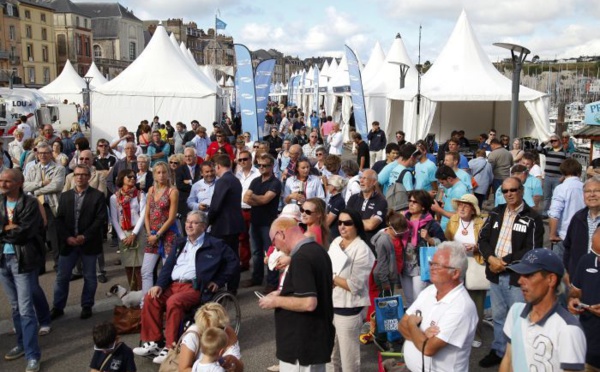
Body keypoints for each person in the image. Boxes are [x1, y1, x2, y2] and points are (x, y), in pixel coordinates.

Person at [133, 210, 237, 364]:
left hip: (194, 287)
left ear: (203, 226)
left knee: (174, 302)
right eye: (188, 222)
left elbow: (233, 262)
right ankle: (153, 342)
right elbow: (167, 267)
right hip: (174, 284)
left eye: (194, 222)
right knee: (150, 297)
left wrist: (219, 281)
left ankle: (171, 346)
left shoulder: (215, 244)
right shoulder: (180, 242)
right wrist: (159, 285)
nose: (189, 225)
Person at [477, 177, 544, 368]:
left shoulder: (533, 217)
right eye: (505, 191)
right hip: (495, 273)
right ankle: (499, 350)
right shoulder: (496, 212)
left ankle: (518, 354)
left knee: (519, 318)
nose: (509, 194)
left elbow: (532, 249)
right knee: (498, 316)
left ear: (521, 191)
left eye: (513, 190)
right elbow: (482, 239)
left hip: (517, 277)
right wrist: (491, 259)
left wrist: (503, 262)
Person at [258, 217, 335, 371]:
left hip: (301, 346)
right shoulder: (318, 250)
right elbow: (314, 287)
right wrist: (282, 292)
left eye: (274, 241)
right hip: (315, 341)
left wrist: (275, 302)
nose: (276, 247)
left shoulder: (301, 258)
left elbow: (308, 302)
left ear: (281, 234)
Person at [501, 248, 586, 372]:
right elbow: (508, 359)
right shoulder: (515, 312)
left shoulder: (569, 329)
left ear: (551, 279)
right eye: (520, 275)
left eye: (529, 275)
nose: (520, 281)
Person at [399, 242, 478, 372]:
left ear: (455, 273)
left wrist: (413, 325)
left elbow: (428, 349)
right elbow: (401, 325)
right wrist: (422, 335)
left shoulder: (461, 307)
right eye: (431, 263)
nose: (431, 268)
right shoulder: (429, 291)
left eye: (437, 265)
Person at [0, 168, 45, 372]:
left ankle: (32, 355)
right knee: (15, 307)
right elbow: (14, 231)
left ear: (19, 183)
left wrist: (6, 230)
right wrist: (8, 229)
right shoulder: (0, 202)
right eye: (1, 180)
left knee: (26, 309)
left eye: (7, 181)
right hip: (3, 260)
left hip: (23, 260)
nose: (2, 184)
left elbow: (24, 233)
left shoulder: (30, 203)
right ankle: (21, 343)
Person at [51, 164, 107, 320]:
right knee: (62, 277)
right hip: (68, 244)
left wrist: (85, 236)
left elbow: (100, 219)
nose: (80, 177)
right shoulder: (65, 196)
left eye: (83, 174)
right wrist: (67, 237)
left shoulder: (97, 196)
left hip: (88, 243)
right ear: (73, 177)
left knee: (89, 276)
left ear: (89, 177)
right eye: (77, 174)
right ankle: (58, 307)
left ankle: (87, 305)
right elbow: (59, 219)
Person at [327, 209, 375, 372]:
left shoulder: (362, 250)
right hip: (330, 303)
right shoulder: (335, 242)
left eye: (347, 223)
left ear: (356, 225)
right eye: (339, 222)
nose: (342, 226)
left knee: (349, 359)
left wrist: (331, 277)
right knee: (330, 355)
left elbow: (355, 285)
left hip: (349, 308)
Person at [444, 194, 486, 347]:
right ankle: (456, 332)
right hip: (457, 264)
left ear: (473, 210)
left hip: (475, 263)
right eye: (460, 204)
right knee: (455, 300)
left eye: (466, 206)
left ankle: (477, 334)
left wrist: (475, 247)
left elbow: (488, 244)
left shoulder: (481, 223)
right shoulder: (453, 220)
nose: (461, 208)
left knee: (476, 302)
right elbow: (447, 240)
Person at [242, 153, 281, 293]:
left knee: (270, 253)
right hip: (255, 221)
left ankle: (272, 282)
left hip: (268, 223)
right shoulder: (255, 181)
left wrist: (255, 198)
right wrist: (258, 199)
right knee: (256, 252)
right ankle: (256, 277)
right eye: (260, 165)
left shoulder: (275, 183)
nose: (262, 168)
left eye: (265, 165)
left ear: (272, 166)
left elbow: (266, 200)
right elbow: (246, 199)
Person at [23, 141, 66, 269]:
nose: (43, 155)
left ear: (50, 154)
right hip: (35, 207)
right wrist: (42, 183)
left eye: (46, 153)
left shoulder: (59, 168)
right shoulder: (32, 169)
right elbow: (25, 185)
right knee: (38, 237)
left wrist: (36, 190)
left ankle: (58, 264)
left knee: (55, 238)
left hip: (51, 205)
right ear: (37, 155)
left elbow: (57, 185)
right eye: (40, 153)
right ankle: (40, 266)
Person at [401, 190, 446, 307]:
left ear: (423, 206)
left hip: (420, 266)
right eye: (409, 201)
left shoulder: (431, 224)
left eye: (415, 202)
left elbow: (443, 244)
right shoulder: (402, 220)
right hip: (404, 265)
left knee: (419, 299)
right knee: (409, 299)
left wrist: (429, 239)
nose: (411, 204)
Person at [208, 154, 243, 293]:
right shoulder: (235, 180)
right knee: (233, 256)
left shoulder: (223, 181)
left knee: (222, 258)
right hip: (234, 224)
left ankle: (223, 286)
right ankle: (232, 287)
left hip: (223, 226)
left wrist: (207, 221)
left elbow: (216, 205)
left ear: (218, 166)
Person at [142, 162, 179, 295]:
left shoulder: (172, 191)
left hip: (167, 235)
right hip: (151, 235)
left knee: (167, 271)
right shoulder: (151, 190)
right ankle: (145, 303)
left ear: (168, 174)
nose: (161, 175)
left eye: (164, 172)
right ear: (154, 175)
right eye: (158, 172)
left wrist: (157, 235)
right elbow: (147, 213)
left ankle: (167, 303)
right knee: (146, 271)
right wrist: (148, 233)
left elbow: (171, 218)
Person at [568, 228, 600, 371]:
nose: (597, 258)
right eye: (595, 251)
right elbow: (576, 292)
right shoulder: (586, 260)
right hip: (588, 349)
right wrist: (573, 301)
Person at [178, 303, 243, 372]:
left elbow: (240, 369)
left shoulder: (228, 332)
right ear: (202, 330)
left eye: (221, 328)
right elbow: (183, 369)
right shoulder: (192, 335)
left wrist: (235, 361)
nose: (219, 334)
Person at [110, 170, 146, 291]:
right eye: (129, 176)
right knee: (129, 266)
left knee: (139, 266)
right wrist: (123, 237)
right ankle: (132, 292)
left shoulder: (140, 194)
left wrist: (134, 234)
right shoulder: (114, 197)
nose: (132, 178)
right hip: (124, 234)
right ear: (121, 178)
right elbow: (114, 219)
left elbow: (143, 215)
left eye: (134, 176)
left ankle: (141, 295)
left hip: (138, 232)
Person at [563, 176, 600, 285]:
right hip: (578, 280)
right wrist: (568, 271)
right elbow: (568, 247)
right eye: (588, 191)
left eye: (597, 191)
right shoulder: (578, 218)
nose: (592, 194)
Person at [548, 158, 585, 260]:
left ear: (563, 172)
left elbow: (554, 213)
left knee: (558, 270)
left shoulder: (561, 188)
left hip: (564, 235)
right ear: (579, 172)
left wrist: (552, 234)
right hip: (582, 235)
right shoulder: (585, 187)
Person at [347, 169, 388, 247]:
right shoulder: (353, 198)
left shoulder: (381, 201)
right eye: (361, 178)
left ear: (374, 182)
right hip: (353, 244)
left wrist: (353, 221)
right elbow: (345, 220)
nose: (361, 181)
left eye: (365, 178)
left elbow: (371, 225)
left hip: (371, 247)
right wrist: (366, 221)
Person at [539, 133, 570, 218]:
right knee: (546, 196)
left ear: (559, 141)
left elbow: (569, 164)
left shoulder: (564, 151)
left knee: (556, 196)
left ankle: (554, 213)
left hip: (558, 178)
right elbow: (538, 149)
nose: (553, 142)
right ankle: (545, 213)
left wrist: (563, 177)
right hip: (547, 177)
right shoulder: (548, 150)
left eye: (555, 140)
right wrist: (546, 141)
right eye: (551, 141)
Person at [431, 166, 469, 231]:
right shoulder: (456, 187)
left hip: (451, 230)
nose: (442, 185)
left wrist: (438, 210)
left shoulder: (458, 190)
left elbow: (458, 215)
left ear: (450, 179)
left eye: (442, 182)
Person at [176, 148, 203, 229]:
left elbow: (202, 184)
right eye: (186, 156)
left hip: (198, 203)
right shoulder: (180, 169)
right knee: (186, 228)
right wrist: (195, 184)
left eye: (190, 156)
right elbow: (180, 185)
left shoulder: (201, 168)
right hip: (184, 204)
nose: (188, 158)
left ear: (195, 157)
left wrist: (190, 182)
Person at [326, 175, 347, 240]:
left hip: (334, 235)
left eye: (328, 184)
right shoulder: (332, 198)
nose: (327, 186)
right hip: (330, 232)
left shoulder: (339, 201)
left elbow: (328, 221)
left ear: (333, 187)